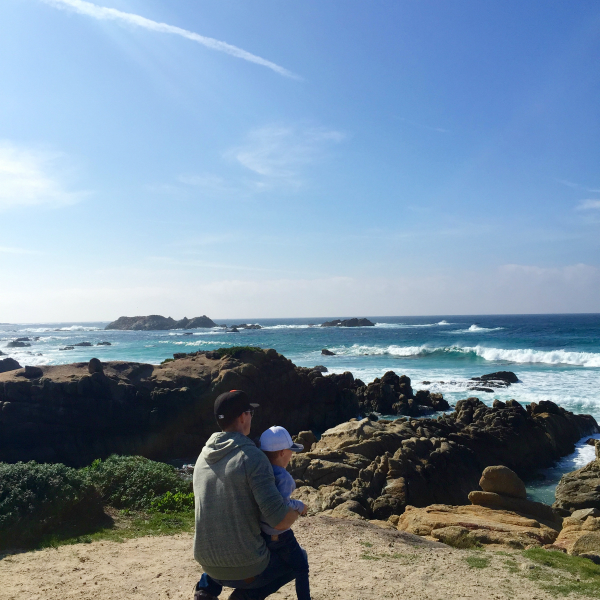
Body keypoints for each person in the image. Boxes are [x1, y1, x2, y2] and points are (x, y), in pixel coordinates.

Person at [193, 390, 300, 600]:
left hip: (207, 565)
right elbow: (278, 520)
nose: (251, 416)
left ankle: (205, 592)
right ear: (243, 417)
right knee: (296, 562)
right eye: (250, 412)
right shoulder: (252, 457)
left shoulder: (202, 457)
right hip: (246, 568)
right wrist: (298, 509)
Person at [259, 426, 311, 600]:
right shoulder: (283, 477)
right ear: (282, 453)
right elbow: (281, 506)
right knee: (301, 565)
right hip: (280, 536)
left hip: (262, 533)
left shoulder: (259, 473)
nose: (292, 455)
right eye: (291, 450)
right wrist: (299, 505)